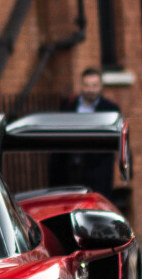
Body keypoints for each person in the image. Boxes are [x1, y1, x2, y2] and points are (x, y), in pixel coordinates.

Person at [49, 66, 122, 195]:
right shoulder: (68, 105)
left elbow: (119, 138)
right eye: (87, 85)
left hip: (98, 171)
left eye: (94, 86)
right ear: (81, 86)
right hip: (71, 169)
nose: (90, 90)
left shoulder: (110, 108)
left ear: (101, 86)